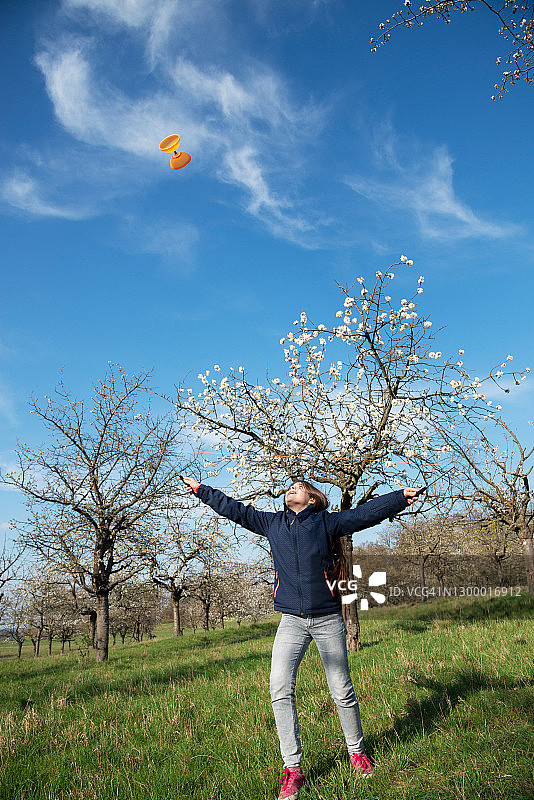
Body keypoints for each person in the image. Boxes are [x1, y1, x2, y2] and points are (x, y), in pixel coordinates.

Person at [182, 475, 420, 800]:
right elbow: (234, 510)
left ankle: (357, 752)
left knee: (342, 690)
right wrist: (202, 491)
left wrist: (398, 498)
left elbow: (365, 514)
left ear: (312, 500)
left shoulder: (326, 523)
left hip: (327, 619)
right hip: (291, 621)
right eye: (289, 486)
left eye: (299, 487)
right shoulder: (271, 523)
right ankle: (293, 769)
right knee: (279, 688)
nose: (290, 488)